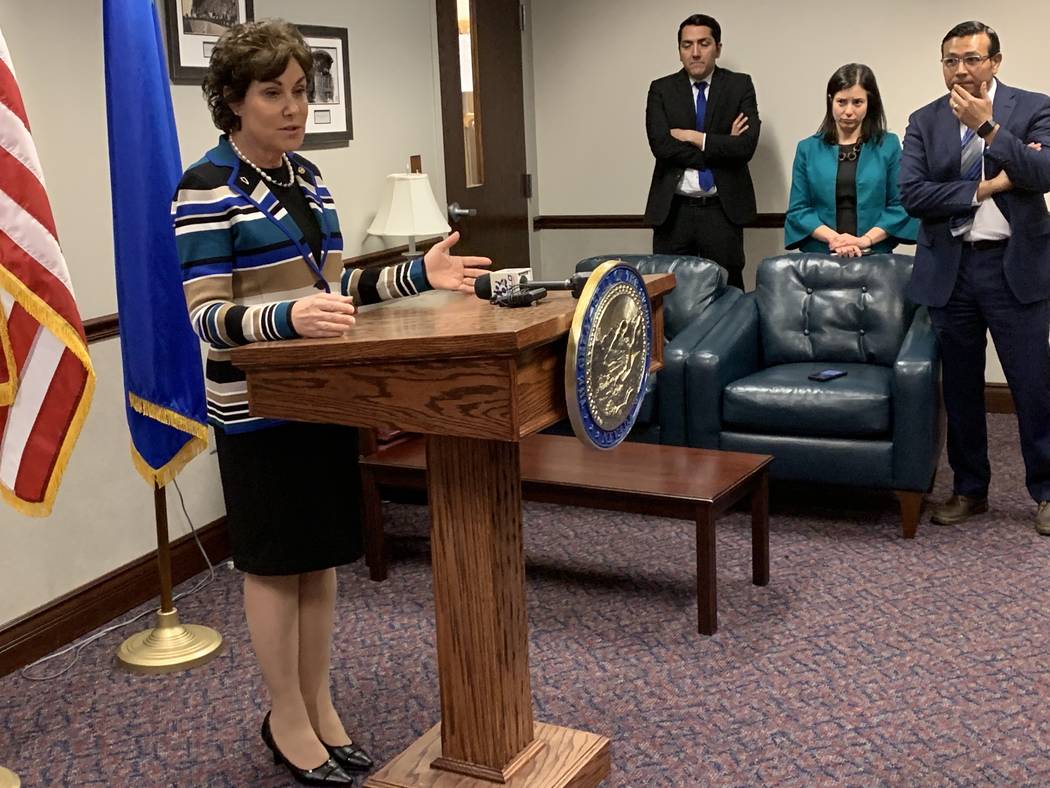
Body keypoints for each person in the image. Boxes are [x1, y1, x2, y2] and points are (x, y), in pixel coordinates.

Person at [172, 20, 491, 786]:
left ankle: (319, 704)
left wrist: (419, 275)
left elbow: (336, 289)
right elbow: (206, 315)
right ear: (232, 101)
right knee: (277, 564)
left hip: (324, 394)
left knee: (319, 563)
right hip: (257, 405)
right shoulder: (205, 186)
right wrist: (288, 318)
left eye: (300, 93)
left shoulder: (308, 178)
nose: (292, 108)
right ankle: (285, 717)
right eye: (272, 94)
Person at [898, 20, 1050, 534]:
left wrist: (990, 130)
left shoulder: (1032, 108)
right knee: (960, 388)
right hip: (952, 270)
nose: (960, 69)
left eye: (971, 58)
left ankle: (1047, 493)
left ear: (995, 61)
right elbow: (914, 195)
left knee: (1033, 385)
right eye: (950, 60)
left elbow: (1042, 174)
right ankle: (969, 489)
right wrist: (984, 189)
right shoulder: (924, 121)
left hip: (1015, 268)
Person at [644, 13, 760, 291]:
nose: (695, 52)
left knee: (727, 292)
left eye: (704, 43)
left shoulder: (739, 85)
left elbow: (745, 147)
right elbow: (661, 146)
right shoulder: (661, 89)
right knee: (668, 294)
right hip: (674, 211)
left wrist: (693, 137)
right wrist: (721, 145)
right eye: (687, 45)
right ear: (679, 50)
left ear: (718, 47)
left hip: (721, 210)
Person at [785, 63, 917, 256]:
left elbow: (899, 205)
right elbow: (799, 210)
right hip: (821, 255)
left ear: (869, 103)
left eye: (857, 102)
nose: (848, 111)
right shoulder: (807, 148)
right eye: (841, 102)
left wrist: (864, 241)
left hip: (873, 254)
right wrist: (835, 240)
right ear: (830, 101)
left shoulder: (888, 145)